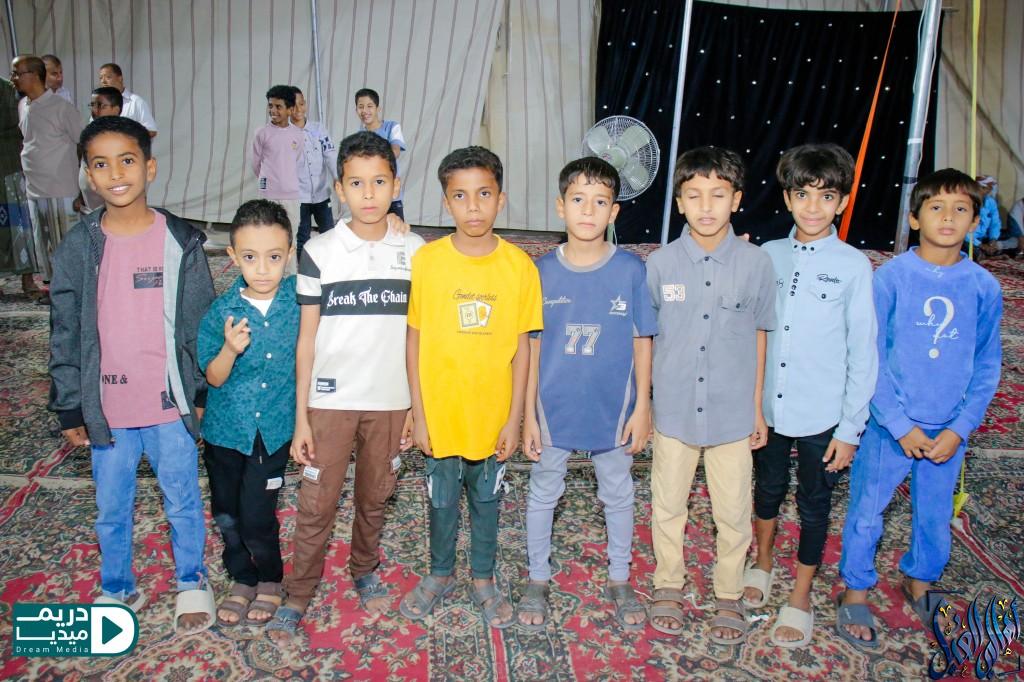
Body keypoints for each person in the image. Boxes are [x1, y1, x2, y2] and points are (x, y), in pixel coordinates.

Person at [48, 116, 216, 633]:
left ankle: (192, 580)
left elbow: (200, 322)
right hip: (109, 410)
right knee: (111, 507)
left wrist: (202, 389)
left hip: (170, 405)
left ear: (150, 167)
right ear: (88, 175)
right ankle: (117, 586)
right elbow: (65, 329)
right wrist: (70, 402)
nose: (115, 173)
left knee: (182, 500)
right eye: (100, 164)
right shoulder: (78, 247)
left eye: (127, 160)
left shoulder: (181, 240)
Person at [266, 132, 423, 643]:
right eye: (356, 183)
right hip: (329, 403)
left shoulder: (416, 251)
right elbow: (306, 340)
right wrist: (301, 417)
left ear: (395, 185)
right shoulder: (318, 252)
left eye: (379, 182)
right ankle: (298, 592)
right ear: (339, 189)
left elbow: (421, 338)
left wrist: (414, 410)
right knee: (316, 504)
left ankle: (364, 568)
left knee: (375, 496)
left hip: (391, 403)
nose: (369, 194)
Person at [836, 168, 1003, 649]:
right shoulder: (890, 279)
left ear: (975, 222)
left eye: (960, 209)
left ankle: (921, 580)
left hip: (948, 429)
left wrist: (960, 427)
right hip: (890, 428)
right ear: (914, 218)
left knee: (934, 512)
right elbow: (870, 356)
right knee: (868, 510)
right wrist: (897, 423)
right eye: (936, 208)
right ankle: (855, 588)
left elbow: (987, 364)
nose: (948, 217)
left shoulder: (983, 287)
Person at [400, 146, 542, 630]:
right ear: (446, 203)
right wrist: (418, 412)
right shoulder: (428, 261)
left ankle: (483, 577)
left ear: (501, 199)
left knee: (486, 502)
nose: (473, 206)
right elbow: (414, 340)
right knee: (441, 501)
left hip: (491, 415)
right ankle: (439, 572)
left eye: (484, 194)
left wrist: (513, 419)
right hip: (440, 415)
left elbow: (523, 350)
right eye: (460, 196)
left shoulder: (520, 267)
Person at [742, 144, 878, 648]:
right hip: (769, 409)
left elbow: (863, 352)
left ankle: (800, 595)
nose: (813, 207)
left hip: (824, 414)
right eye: (802, 194)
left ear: (842, 202)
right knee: (767, 489)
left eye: (826, 196)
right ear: (787, 198)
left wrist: (850, 428)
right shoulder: (767, 254)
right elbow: (751, 329)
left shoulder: (853, 265)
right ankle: (761, 562)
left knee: (815, 503)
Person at [516, 157, 656, 632]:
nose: (588, 211)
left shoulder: (630, 270)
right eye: (578, 199)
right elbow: (532, 346)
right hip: (553, 407)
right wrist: (529, 415)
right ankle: (538, 577)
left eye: (600, 202)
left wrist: (642, 406)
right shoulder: (540, 272)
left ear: (614, 212)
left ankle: (620, 577)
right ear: (561, 207)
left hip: (611, 408)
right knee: (543, 491)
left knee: (618, 491)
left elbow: (642, 340)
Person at [645, 146, 775, 644]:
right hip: (674, 411)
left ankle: (728, 592)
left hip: (731, 413)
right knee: (667, 505)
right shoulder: (660, 265)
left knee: (733, 512)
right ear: (679, 202)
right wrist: (646, 404)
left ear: (736, 199)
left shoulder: (756, 263)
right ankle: (668, 583)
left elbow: (760, 334)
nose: (706, 206)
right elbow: (648, 338)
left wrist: (756, 405)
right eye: (694, 195)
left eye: (718, 195)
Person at [198, 199, 298, 628]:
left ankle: (270, 579)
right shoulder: (221, 312)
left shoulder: (299, 301)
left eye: (274, 257)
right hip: (225, 433)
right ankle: (242, 577)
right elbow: (214, 377)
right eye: (251, 257)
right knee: (227, 513)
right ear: (233, 256)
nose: (262, 269)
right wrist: (229, 349)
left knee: (258, 515)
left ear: (289, 254)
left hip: (272, 432)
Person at [13, 54, 82, 302]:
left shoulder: (62, 108)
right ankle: (56, 291)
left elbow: (83, 142)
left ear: (34, 75)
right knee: (44, 245)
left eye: (18, 73)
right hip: (35, 188)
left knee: (65, 243)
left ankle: (74, 293)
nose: (13, 78)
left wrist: (82, 187)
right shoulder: (24, 105)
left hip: (60, 188)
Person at [250, 85, 303, 272]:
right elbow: (256, 163)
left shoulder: (298, 135)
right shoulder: (262, 133)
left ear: (290, 109)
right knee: (267, 236)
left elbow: (297, 161)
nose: (273, 110)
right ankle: (267, 274)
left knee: (290, 237)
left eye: (278, 106)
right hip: (269, 195)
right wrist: (268, 182)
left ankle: (291, 277)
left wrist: (286, 181)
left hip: (292, 196)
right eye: (270, 106)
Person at [288, 86, 335, 257]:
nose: (298, 109)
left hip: (321, 194)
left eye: (301, 104)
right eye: (293, 106)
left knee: (329, 233)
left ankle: (329, 266)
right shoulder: (284, 134)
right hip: (299, 197)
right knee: (302, 237)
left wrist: (339, 178)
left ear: (306, 104)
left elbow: (330, 155)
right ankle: (303, 269)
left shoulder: (318, 129)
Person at [356, 88, 406, 219]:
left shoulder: (392, 127)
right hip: (369, 198)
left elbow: (395, 152)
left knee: (396, 230)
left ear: (378, 108)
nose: (365, 111)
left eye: (369, 106)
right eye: (360, 107)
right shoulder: (358, 137)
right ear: (356, 110)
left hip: (392, 197)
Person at [74, 87, 124, 214]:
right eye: (92, 105)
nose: (95, 110)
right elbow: (83, 164)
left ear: (116, 109)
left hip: (111, 210)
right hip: (88, 208)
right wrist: (80, 195)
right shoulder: (89, 131)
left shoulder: (123, 136)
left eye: (101, 106)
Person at [97, 62, 157, 137]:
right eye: (101, 78)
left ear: (120, 78)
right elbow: (91, 131)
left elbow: (152, 131)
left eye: (108, 77)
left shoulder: (136, 102)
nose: (103, 81)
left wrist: (127, 135)